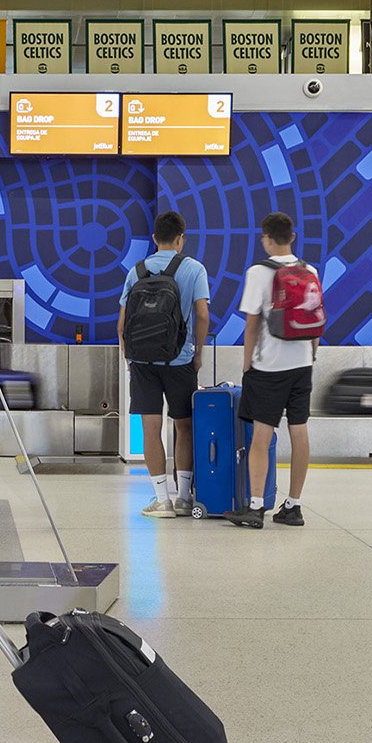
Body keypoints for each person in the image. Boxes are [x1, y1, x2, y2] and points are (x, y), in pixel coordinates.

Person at [226, 212, 317, 530]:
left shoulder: (258, 272)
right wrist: (311, 356)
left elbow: (251, 325)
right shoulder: (310, 270)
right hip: (302, 364)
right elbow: (316, 321)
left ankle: (255, 507)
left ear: (265, 238)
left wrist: (247, 362)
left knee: (261, 437)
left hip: (269, 367)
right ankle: (293, 505)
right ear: (292, 237)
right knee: (299, 431)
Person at [117, 211, 210, 519]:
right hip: (180, 359)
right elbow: (203, 315)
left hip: (143, 361)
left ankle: (161, 500)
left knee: (150, 428)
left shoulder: (137, 270)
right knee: (184, 426)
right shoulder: (194, 269)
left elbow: (121, 323)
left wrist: (129, 356)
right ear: (181, 238)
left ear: (155, 239)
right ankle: (184, 498)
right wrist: (197, 354)